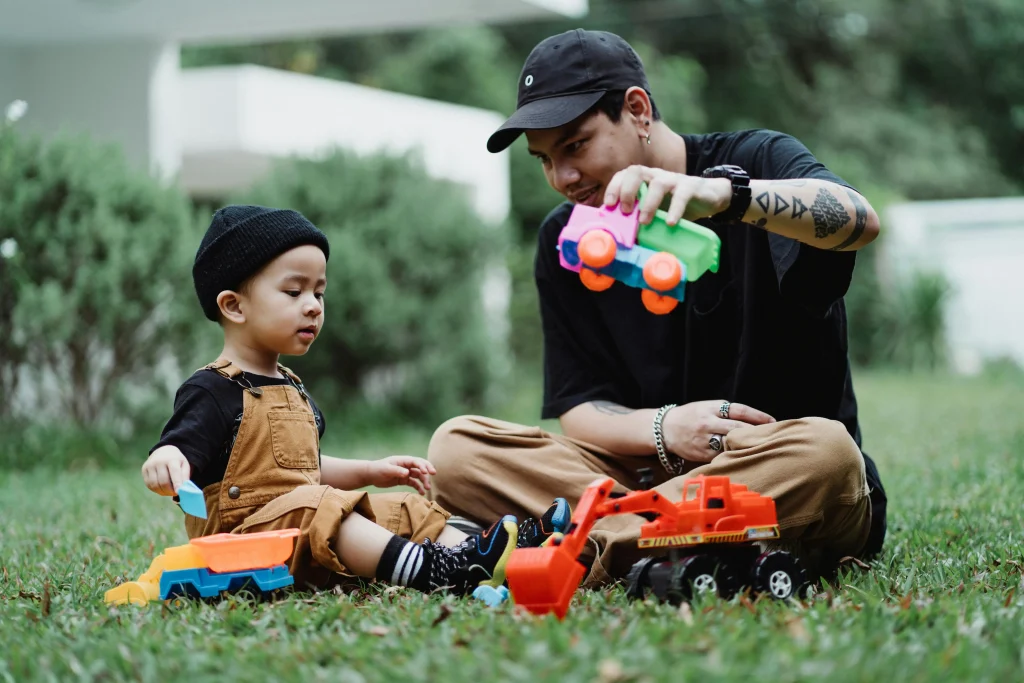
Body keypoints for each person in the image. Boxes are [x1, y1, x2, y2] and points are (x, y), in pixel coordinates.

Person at [427, 29, 888, 586]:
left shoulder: (754, 158)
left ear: (638, 110)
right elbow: (581, 408)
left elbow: (858, 219)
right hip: (647, 475)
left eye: (575, 146)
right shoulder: (562, 238)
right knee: (455, 449)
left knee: (831, 455)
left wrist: (728, 196)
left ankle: (582, 541)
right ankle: (660, 542)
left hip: (771, 466)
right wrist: (668, 428)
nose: (562, 179)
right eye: (544, 160)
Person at [139, 204, 540, 596]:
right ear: (234, 305)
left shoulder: (292, 388)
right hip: (242, 541)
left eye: (319, 292)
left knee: (401, 507)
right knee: (322, 507)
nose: (313, 305)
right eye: (294, 291)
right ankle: (434, 570)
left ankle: (492, 557)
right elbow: (181, 445)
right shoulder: (211, 389)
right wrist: (167, 458)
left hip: (302, 526)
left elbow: (305, 468)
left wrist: (370, 470)